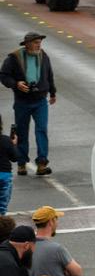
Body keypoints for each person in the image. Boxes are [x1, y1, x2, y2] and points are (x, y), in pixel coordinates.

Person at [0, 32, 57, 176]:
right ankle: (21, 163)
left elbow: (49, 75)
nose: (39, 45)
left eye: (40, 42)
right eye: (36, 42)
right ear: (27, 44)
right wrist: (16, 84)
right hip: (22, 101)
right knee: (22, 132)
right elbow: (4, 75)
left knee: (41, 130)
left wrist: (52, 92)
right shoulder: (14, 58)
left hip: (40, 101)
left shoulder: (43, 56)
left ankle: (42, 163)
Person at [30, 207, 81, 276]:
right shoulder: (56, 249)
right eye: (56, 219)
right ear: (51, 222)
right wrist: (66, 272)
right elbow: (77, 272)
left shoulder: (28, 246)